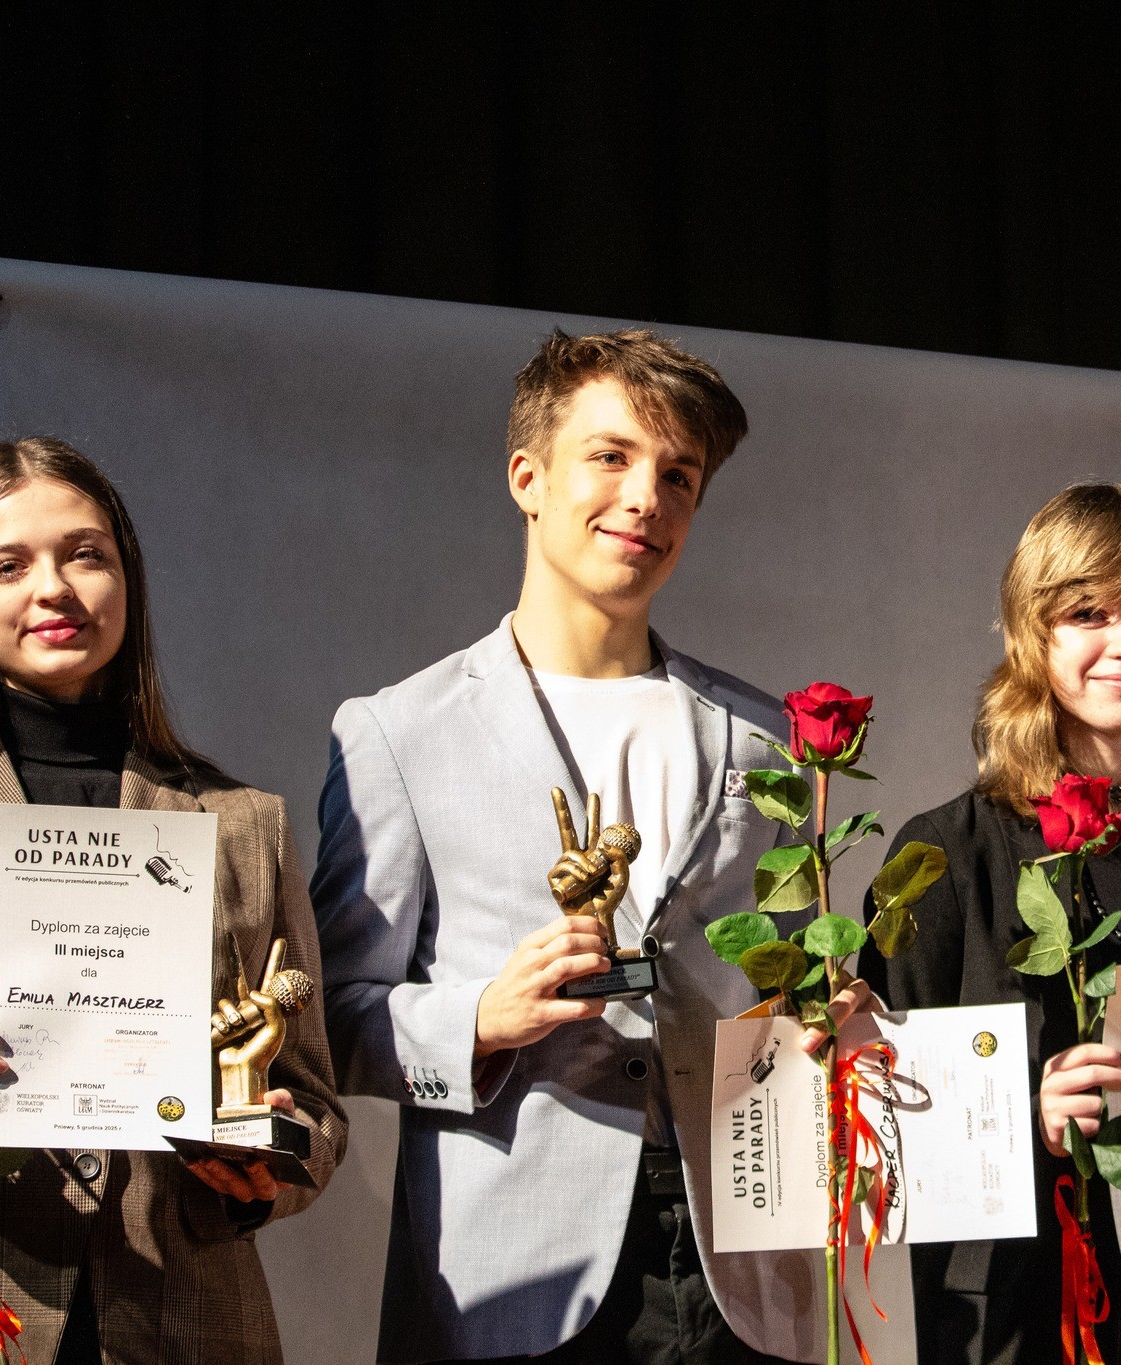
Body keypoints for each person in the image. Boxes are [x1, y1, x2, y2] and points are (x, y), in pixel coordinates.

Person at [310, 328, 867, 1364]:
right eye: (611, 456)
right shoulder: (398, 732)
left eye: (678, 475)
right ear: (527, 476)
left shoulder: (765, 738)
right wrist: (480, 1018)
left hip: (739, 1258)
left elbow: (789, 986)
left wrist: (828, 1017)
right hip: (511, 1275)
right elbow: (328, 1018)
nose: (645, 497)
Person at [0, 437, 345, 1363]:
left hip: (184, 1321)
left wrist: (265, 1155)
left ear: (127, 579)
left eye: (85, 554)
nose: (53, 588)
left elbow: (316, 1110)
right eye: (8, 565)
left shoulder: (244, 822)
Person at [859, 483, 1121, 1365]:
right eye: (1090, 613)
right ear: (1034, 634)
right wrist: (1025, 1117)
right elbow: (873, 1131)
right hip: (1012, 1322)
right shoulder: (943, 854)